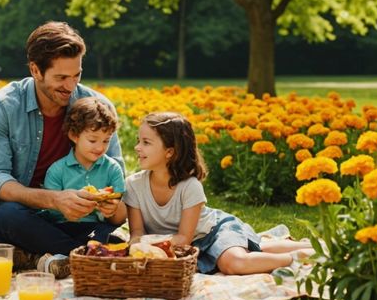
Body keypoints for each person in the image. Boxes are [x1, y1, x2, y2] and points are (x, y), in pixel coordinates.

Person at [0, 21, 124, 279]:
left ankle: (32, 255)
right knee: (8, 216)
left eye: (77, 75)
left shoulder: (98, 108)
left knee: (106, 230)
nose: (71, 86)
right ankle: (92, 256)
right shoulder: (3, 105)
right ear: (35, 70)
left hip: (78, 219)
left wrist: (108, 203)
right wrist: (55, 200)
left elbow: (115, 176)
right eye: (61, 77)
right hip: (20, 213)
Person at [125, 112, 313, 274]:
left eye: (146, 142)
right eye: (137, 141)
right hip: (181, 247)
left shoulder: (190, 186)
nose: (137, 147)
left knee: (234, 263)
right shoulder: (133, 185)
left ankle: (299, 256)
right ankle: (310, 245)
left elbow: (184, 239)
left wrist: (148, 245)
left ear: (170, 152)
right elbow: (137, 233)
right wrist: (138, 248)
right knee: (255, 248)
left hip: (214, 232)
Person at [40, 97, 127, 245]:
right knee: (42, 230)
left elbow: (121, 217)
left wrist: (112, 209)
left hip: (96, 227)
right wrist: (71, 207)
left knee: (112, 237)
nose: (100, 148)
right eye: (93, 140)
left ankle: (70, 255)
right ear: (74, 136)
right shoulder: (57, 170)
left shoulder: (112, 169)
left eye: (106, 141)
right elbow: (52, 214)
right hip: (63, 227)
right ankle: (79, 252)